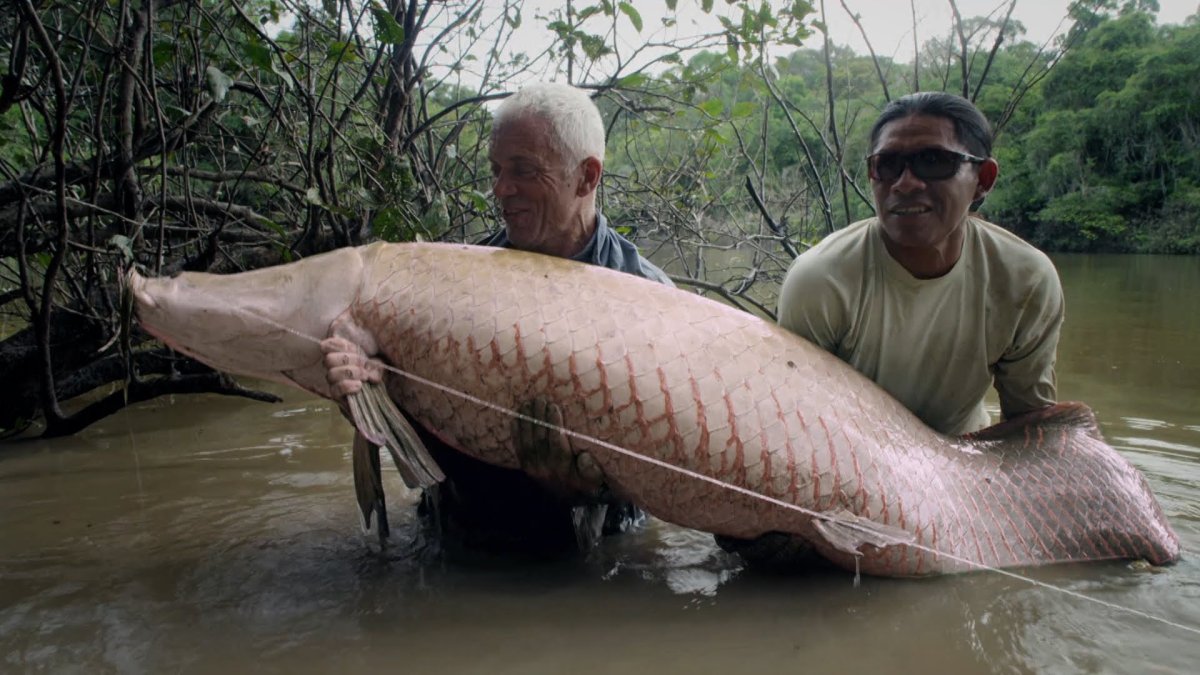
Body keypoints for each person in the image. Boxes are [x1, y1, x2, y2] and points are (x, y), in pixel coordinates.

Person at [322, 82, 670, 555]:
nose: (501, 189)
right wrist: (369, 400)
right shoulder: (454, 285)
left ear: (587, 177)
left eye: (523, 171)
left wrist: (585, 486)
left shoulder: (655, 304)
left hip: (597, 559)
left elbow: (668, 468)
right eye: (497, 170)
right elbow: (417, 434)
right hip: (460, 533)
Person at [777, 91, 1064, 437]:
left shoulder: (1025, 279)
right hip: (853, 456)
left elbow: (1029, 431)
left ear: (983, 179)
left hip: (966, 458)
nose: (906, 183)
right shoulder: (822, 280)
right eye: (887, 165)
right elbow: (799, 424)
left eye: (933, 161)